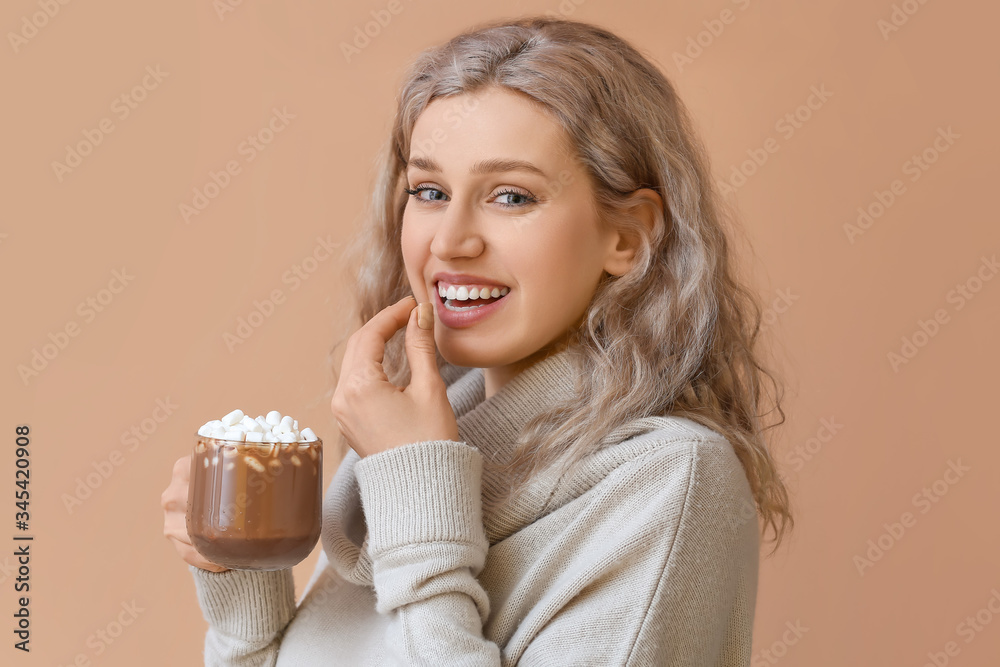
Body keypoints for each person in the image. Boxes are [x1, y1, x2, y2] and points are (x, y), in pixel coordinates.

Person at [161, 14, 793, 666]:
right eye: (430, 191)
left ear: (627, 236)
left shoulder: (671, 481)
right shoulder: (405, 456)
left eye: (512, 196)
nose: (451, 241)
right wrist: (243, 591)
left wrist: (418, 486)